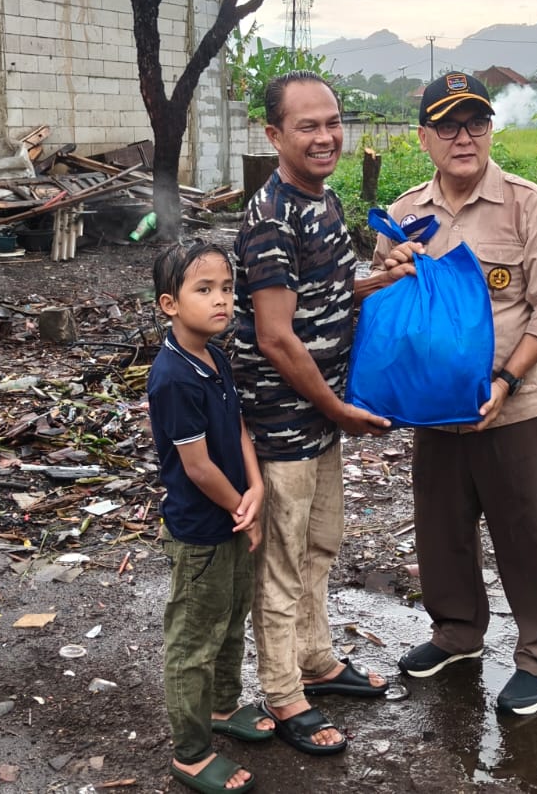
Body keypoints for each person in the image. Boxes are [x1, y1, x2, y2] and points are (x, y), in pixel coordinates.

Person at [372, 72, 537, 716]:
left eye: (476, 123)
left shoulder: (528, 205)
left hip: (511, 407)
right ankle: (457, 634)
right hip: (434, 412)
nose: (465, 137)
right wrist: (391, 272)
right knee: (442, 530)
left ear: (490, 129)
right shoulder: (404, 214)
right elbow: (387, 307)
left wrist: (506, 378)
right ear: (424, 138)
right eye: (449, 125)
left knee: (527, 533)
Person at [230, 70, 417, 755]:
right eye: (306, 126)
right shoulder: (272, 216)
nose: (326, 136)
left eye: (333, 121)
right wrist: (337, 407)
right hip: (286, 419)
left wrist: (382, 281)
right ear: (274, 135)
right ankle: (283, 692)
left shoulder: (325, 199)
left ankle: (316, 659)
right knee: (281, 562)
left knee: (320, 543)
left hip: (321, 415)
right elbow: (277, 334)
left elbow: (328, 293)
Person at [148, 242, 274, 794]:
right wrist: (240, 509)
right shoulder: (173, 377)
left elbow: (240, 426)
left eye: (226, 288)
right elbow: (197, 468)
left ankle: (223, 707)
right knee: (193, 641)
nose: (222, 301)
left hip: (233, 516)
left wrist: (257, 487)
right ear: (169, 304)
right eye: (205, 291)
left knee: (231, 619)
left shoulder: (214, 356)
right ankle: (192, 752)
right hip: (201, 529)